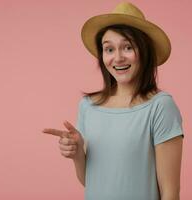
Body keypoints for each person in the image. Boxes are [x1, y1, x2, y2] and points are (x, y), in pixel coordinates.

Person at [42, 2, 184, 200]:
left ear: (145, 52)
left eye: (127, 47)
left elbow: (170, 192)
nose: (117, 58)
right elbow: (89, 181)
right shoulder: (88, 106)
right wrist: (77, 156)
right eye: (109, 49)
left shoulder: (160, 106)